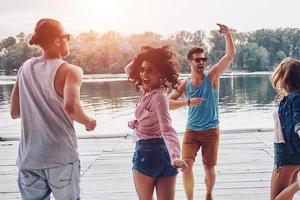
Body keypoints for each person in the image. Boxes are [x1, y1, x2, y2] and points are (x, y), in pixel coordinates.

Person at [10, 18, 97, 200]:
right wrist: (88, 121)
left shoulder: (24, 68)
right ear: (58, 40)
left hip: (29, 159)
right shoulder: (70, 71)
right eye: (67, 37)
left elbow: (14, 112)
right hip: (60, 157)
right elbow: (71, 107)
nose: (69, 41)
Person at [168, 24, 236, 200]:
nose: (201, 62)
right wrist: (188, 102)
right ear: (190, 62)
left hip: (211, 130)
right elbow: (167, 103)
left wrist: (227, 35)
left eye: (203, 59)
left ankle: (208, 195)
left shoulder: (212, 76)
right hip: (191, 131)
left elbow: (230, 56)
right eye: (197, 60)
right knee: (186, 166)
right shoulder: (184, 84)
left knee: (209, 168)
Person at [125, 46, 188, 200]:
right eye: (142, 69)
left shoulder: (159, 97)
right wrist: (146, 55)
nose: (144, 74)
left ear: (160, 72)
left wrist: (175, 157)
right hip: (164, 154)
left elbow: (167, 129)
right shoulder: (147, 89)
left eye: (150, 70)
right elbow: (128, 69)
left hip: (148, 152)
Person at [269, 58, 300, 200]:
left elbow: (298, 123)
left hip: (287, 154)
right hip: (290, 152)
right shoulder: (293, 98)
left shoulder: (294, 98)